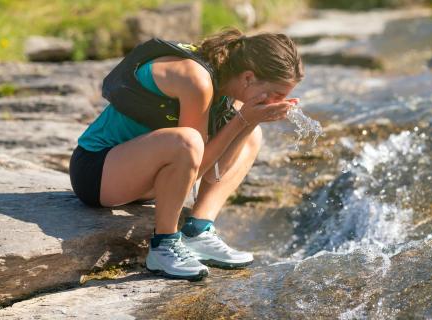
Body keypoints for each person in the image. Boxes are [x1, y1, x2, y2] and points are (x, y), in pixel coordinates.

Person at [69, 28, 304, 280]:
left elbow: (217, 171)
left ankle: (198, 230)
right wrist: (243, 119)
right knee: (188, 141)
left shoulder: (231, 86)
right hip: (96, 172)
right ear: (248, 77)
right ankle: (164, 245)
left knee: (251, 137)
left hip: (145, 177)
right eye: (277, 95)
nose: (278, 102)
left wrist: (248, 123)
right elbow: (194, 164)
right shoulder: (196, 79)